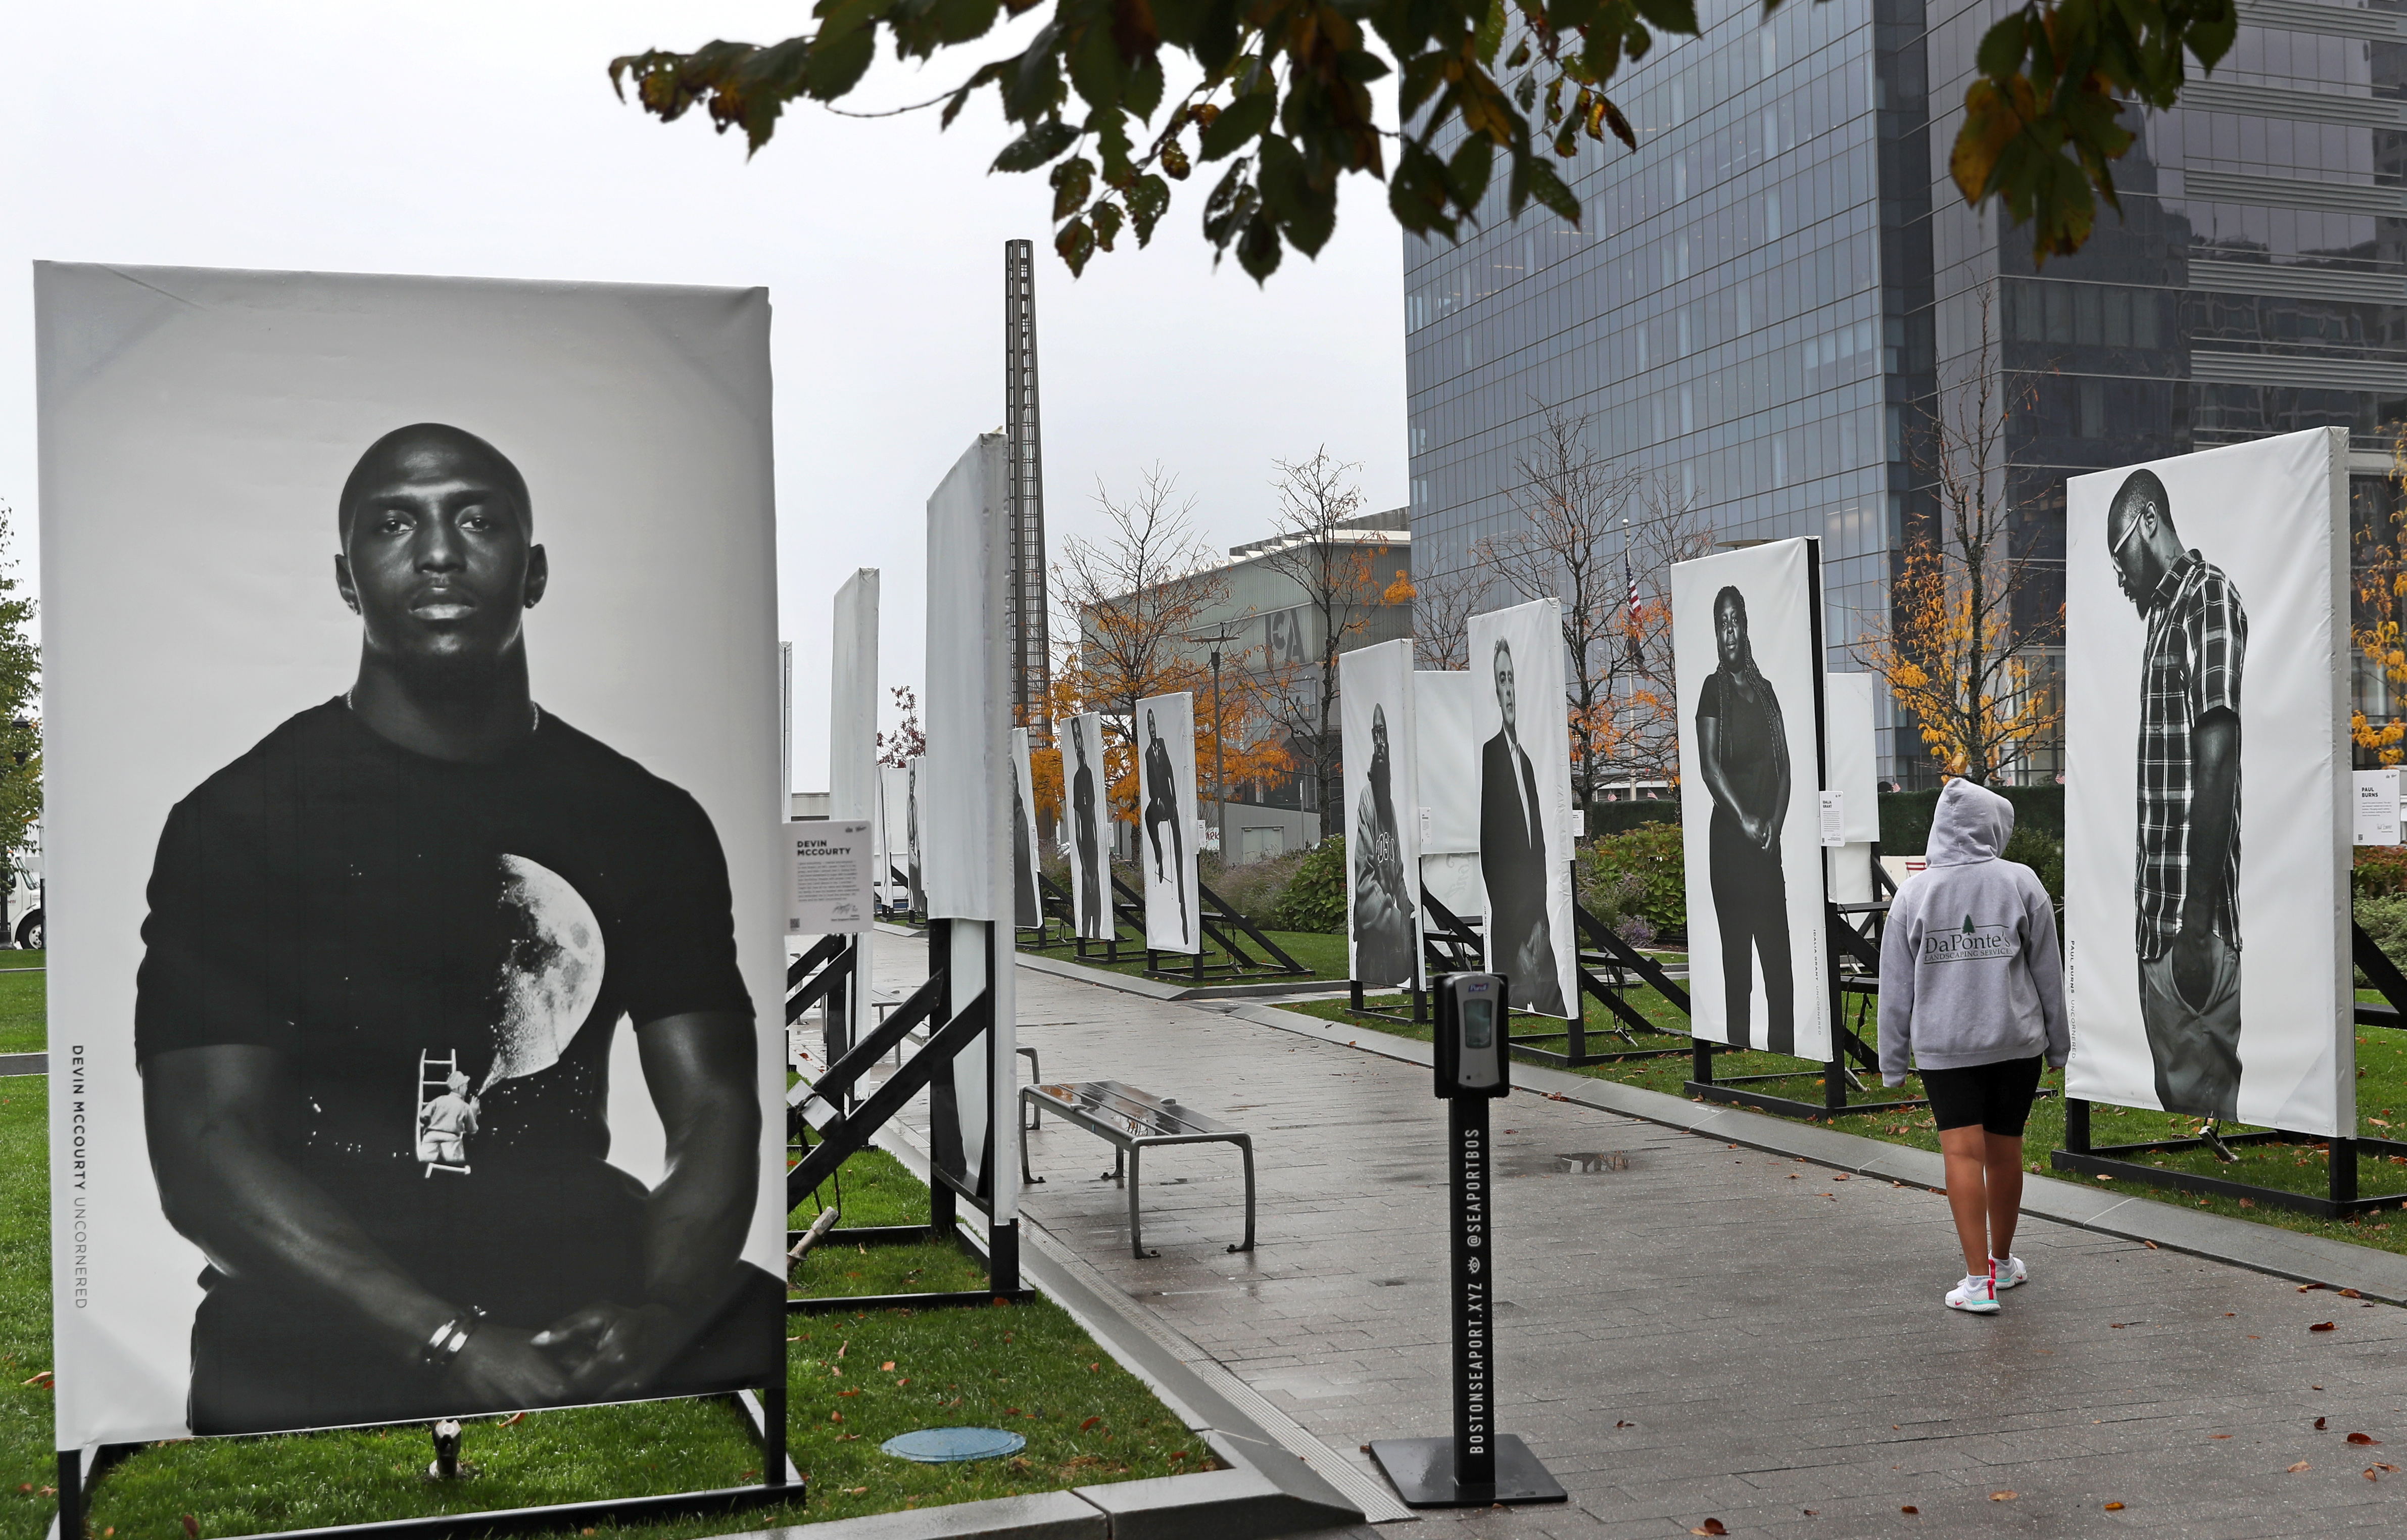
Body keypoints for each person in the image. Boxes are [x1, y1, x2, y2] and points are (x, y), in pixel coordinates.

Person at [135, 422, 779, 1435]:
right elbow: (204, 1144)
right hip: (325, 1296)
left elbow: (716, 1111)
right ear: (349, 580)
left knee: (750, 1329)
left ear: (533, 571)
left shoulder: (647, 821)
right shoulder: (240, 821)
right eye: (396, 523)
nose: (439, 549)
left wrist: (663, 1313)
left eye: (476, 519)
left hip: (581, 1269)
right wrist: (450, 1340)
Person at [1878, 778, 2067, 1313]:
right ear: (1994, 828)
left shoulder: (1914, 893)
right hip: (2016, 1044)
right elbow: (2048, 975)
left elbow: (1896, 987)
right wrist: (2059, 1046)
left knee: (1962, 1154)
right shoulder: (2021, 882)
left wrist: (1892, 1061)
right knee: (2005, 1152)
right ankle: (2002, 1265)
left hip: (1946, 1047)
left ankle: (1977, 1283)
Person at [2106, 468, 2246, 1121]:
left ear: (2149, 522)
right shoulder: (2163, 615)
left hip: (2190, 928)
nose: (2119, 576)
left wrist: (2193, 927)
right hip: (2159, 928)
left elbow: (2218, 759)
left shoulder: (2205, 597)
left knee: (2204, 1127)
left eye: (2120, 555)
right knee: (2180, 1120)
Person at [1695, 585, 1794, 1053]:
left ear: (1747, 625)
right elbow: (1710, 768)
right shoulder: (1712, 692)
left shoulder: (1766, 691)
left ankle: (1784, 1050)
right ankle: (1738, 1051)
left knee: (1780, 965)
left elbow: (1786, 766)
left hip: (1766, 849)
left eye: (1736, 620)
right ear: (1717, 634)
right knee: (1738, 962)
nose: (1730, 630)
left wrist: (1774, 820)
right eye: (1722, 623)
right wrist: (1746, 820)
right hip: (1732, 851)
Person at [1478, 637, 1566, 1016]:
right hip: (1512, 931)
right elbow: (1491, 854)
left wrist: (1539, 922)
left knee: (1557, 1007)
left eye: (1512, 678)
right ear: (1496, 692)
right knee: (1514, 1011)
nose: (1510, 689)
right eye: (1503, 680)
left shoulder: (1528, 763)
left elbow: (1538, 850)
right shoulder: (1491, 755)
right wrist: (1518, 936)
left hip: (1538, 922)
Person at [1351, 702, 1415, 985]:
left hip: (1393, 948)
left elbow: (1398, 872)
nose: (1379, 743)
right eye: (1375, 734)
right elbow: (1364, 881)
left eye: (1384, 735)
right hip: (1374, 943)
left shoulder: (1389, 806)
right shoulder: (1368, 799)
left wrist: (1410, 909)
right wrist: (1395, 918)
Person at [1142, 709, 1190, 943]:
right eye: (1149, 724)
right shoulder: (1147, 753)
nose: (1152, 728)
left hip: (1170, 799)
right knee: (1148, 816)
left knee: (1176, 828)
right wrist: (1157, 799)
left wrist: (1172, 797)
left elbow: (1169, 770)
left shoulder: (1161, 745)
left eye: (1153, 724)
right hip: (1157, 799)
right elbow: (1151, 780)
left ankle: (1180, 884)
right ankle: (1159, 855)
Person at [1071, 722, 1104, 940]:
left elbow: (1094, 815)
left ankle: (1097, 934)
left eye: (1079, 738)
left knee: (1097, 894)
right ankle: (1085, 934)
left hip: (1094, 844)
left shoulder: (1089, 774)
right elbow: (1077, 828)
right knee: (1087, 890)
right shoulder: (1076, 779)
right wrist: (1085, 866)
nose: (1079, 745)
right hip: (1085, 845)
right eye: (1075, 740)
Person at [416, 1070, 481, 1172]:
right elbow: (472, 1129)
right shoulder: (465, 1107)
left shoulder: (439, 1100)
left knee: (423, 1166)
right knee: (457, 1167)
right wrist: (473, 1112)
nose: (467, 1088)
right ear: (459, 1088)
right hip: (451, 1139)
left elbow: (423, 1116)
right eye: (465, 1086)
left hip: (431, 1137)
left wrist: (429, 1125)